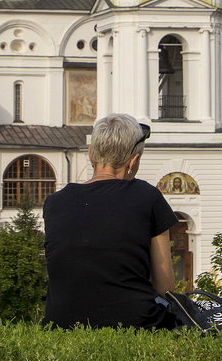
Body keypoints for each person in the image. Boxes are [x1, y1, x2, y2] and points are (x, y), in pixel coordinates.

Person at [42, 113, 177, 329]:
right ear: (133, 161)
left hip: (60, 323)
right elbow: (165, 287)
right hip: (136, 322)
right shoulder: (148, 196)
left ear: (90, 154)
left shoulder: (55, 202)